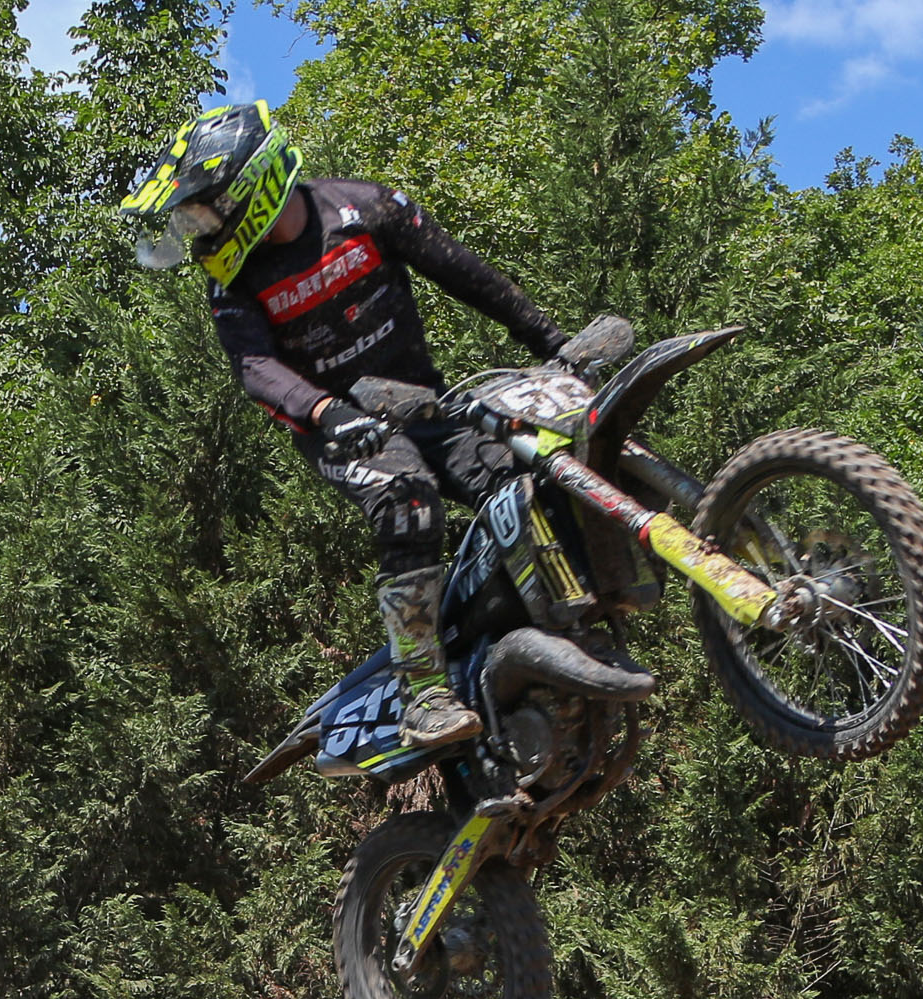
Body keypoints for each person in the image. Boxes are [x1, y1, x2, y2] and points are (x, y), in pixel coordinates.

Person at [120, 102, 612, 753]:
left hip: (427, 408)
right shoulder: (233, 284)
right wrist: (328, 413)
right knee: (409, 502)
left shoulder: (368, 208)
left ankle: (551, 631)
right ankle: (423, 694)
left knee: (527, 477)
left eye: (205, 214)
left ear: (252, 187)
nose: (199, 233)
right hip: (340, 431)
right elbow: (256, 369)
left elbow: (464, 272)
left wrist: (553, 344)